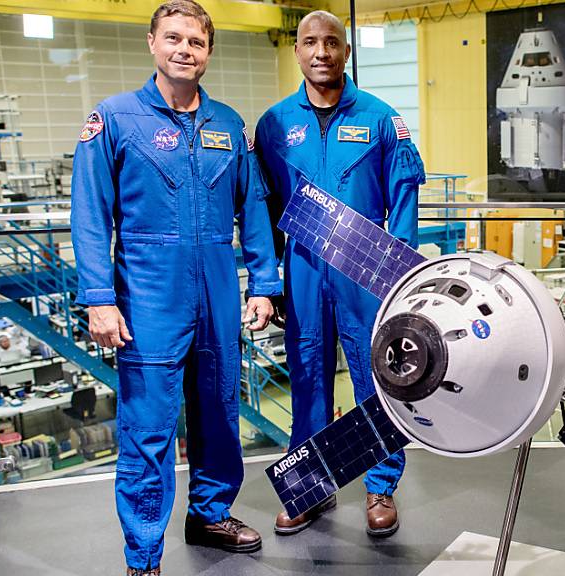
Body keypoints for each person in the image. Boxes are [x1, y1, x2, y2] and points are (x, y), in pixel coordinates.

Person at [70, 2, 281, 574]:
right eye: (173, 38)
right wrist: (99, 298)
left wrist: (263, 284)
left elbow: (253, 209)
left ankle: (210, 514)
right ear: (152, 43)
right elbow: (90, 215)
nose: (184, 49)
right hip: (147, 297)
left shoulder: (229, 125)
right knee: (149, 428)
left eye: (196, 41)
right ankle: (144, 554)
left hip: (218, 292)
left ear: (208, 52)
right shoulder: (114, 119)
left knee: (220, 414)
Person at [254, 10, 424, 538]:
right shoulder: (274, 124)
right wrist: (269, 281)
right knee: (307, 379)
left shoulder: (381, 119)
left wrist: (400, 273)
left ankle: (380, 487)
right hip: (303, 266)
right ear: (297, 50)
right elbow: (263, 207)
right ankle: (309, 487)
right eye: (310, 42)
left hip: (367, 269)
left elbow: (404, 198)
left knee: (379, 378)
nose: (321, 52)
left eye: (331, 42)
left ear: (346, 51)